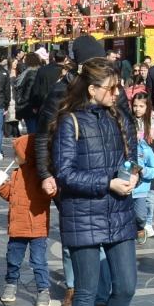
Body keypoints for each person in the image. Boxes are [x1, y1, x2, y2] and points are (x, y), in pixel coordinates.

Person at [52, 57, 139, 306]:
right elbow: (64, 173)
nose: (118, 92)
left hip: (118, 211)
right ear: (91, 89)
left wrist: (133, 177)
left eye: (120, 86)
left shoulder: (120, 117)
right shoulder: (70, 122)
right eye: (111, 87)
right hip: (83, 214)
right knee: (86, 290)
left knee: (127, 285)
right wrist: (106, 182)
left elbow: (132, 158)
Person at [37, 35, 104, 198]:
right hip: (71, 173)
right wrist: (45, 174)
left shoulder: (111, 90)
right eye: (98, 64)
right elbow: (43, 135)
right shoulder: (61, 92)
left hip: (105, 172)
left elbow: (126, 128)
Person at [0, 133, 53, 306]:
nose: (14, 157)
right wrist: (0, 186)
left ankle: (43, 290)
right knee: (13, 258)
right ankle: (11, 284)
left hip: (37, 227)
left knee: (39, 261)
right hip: (17, 226)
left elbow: (49, 193)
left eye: (16, 153)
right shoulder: (16, 173)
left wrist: (50, 188)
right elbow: (11, 196)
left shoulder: (41, 176)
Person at [131, 91, 154, 238]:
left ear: (147, 107)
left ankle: (148, 223)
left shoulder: (153, 123)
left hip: (148, 165)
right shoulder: (129, 121)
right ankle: (136, 223)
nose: (137, 109)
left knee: (150, 196)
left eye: (141, 106)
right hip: (133, 165)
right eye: (135, 106)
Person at [132, 123, 154, 245]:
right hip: (122, 189)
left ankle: (140, 227)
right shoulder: (119, 148)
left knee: (140, 216)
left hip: (140, 190)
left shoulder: (146, 150)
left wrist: (143, 170)